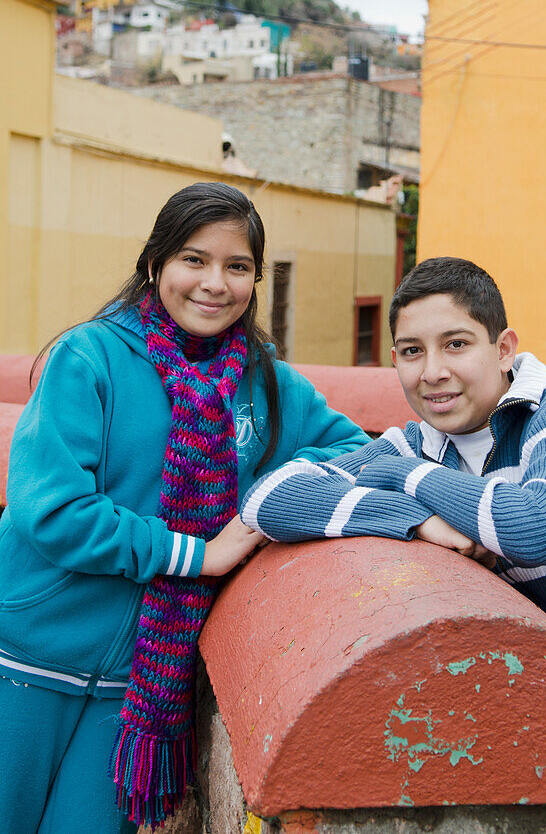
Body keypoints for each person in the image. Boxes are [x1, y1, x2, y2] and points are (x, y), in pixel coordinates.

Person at [240, 256, 546, 833]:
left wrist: (408, 480)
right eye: (412, 351)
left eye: (456, 344)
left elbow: (540, 527)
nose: (433, 372)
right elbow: (268, 499)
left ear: (502, 350)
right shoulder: (420, 444)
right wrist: (414, 520)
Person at [0, 181, 388, 834]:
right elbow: (55, 513)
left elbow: (357, 452)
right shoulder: (89, 358)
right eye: (193, 259)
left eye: (237, 267)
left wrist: (267, 499)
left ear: (255, 280)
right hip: (21, 661)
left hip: (133, 697)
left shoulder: (263, 385)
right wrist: (198, 554)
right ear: (155, 266)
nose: (214, 283)